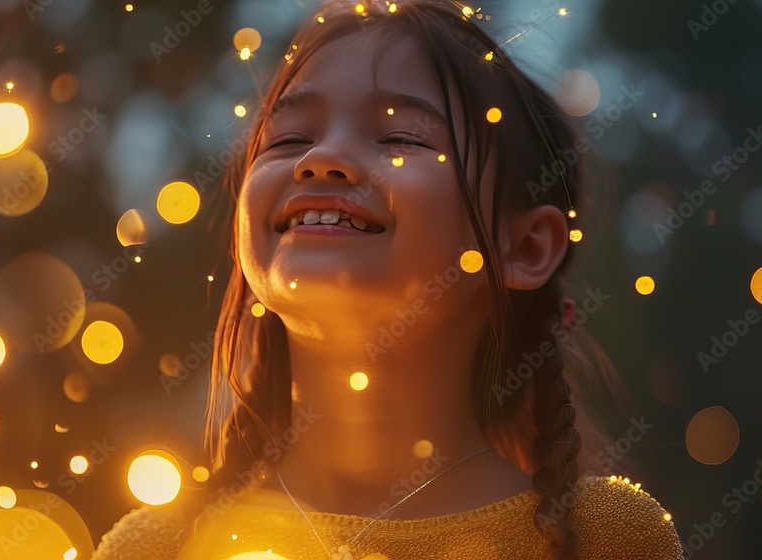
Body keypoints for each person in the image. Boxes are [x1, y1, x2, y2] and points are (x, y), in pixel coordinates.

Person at [94, 1, 684, 558]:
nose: (319, 159)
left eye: (401, 138)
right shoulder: (160, 547)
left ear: (525, 248)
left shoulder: (602, 540)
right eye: (289, 138)